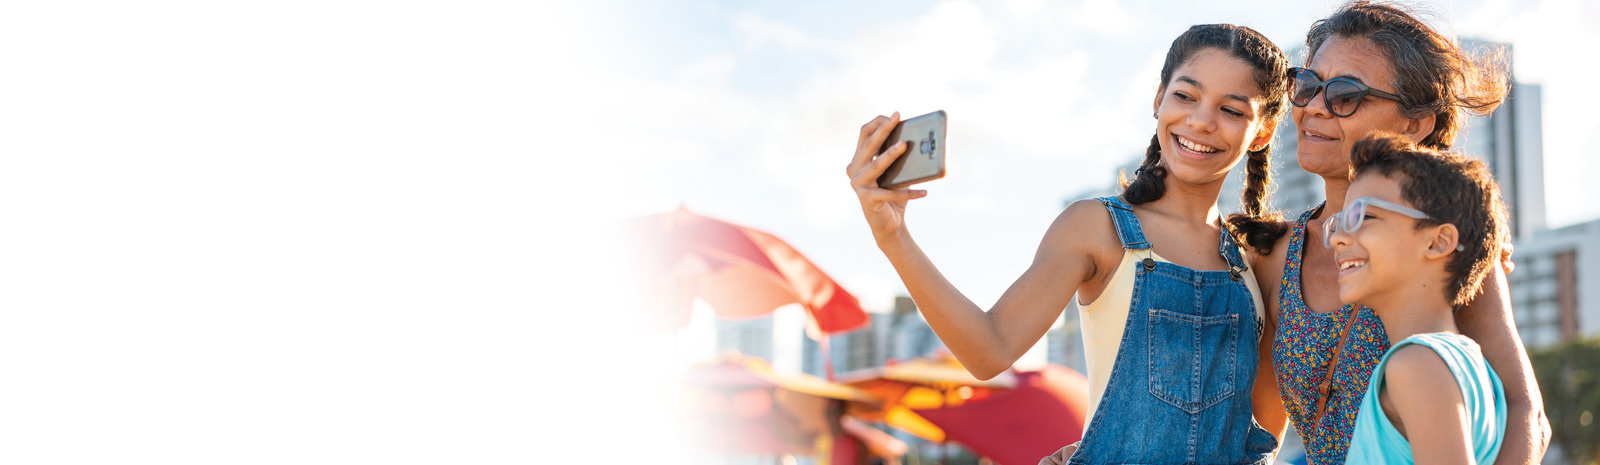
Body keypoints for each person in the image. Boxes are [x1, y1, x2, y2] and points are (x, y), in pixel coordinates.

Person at [847, 24, 1290, 464]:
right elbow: (988, 350)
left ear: (1264, 131)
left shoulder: (1257, 258)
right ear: (1159, 99)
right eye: (1186, 96)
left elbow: (1264, 428)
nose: (1200, 121)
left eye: (1231, 110)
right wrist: (893, 236)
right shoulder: (1098, 227)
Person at [1239, 2, 1548, 464]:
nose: (1315, 108)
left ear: (1416, 123)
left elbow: (1526, 413)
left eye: (1345, 94)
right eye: (1307, 85)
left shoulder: (1439, 242)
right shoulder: (1273, 253)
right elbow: (1264, 436)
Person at [1328, 134, 1509, 464]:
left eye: (1363, 216)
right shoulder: (1468, 364)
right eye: (1338, 223)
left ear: (1438, 242)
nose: (1338, 237)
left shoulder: (1416, 365)